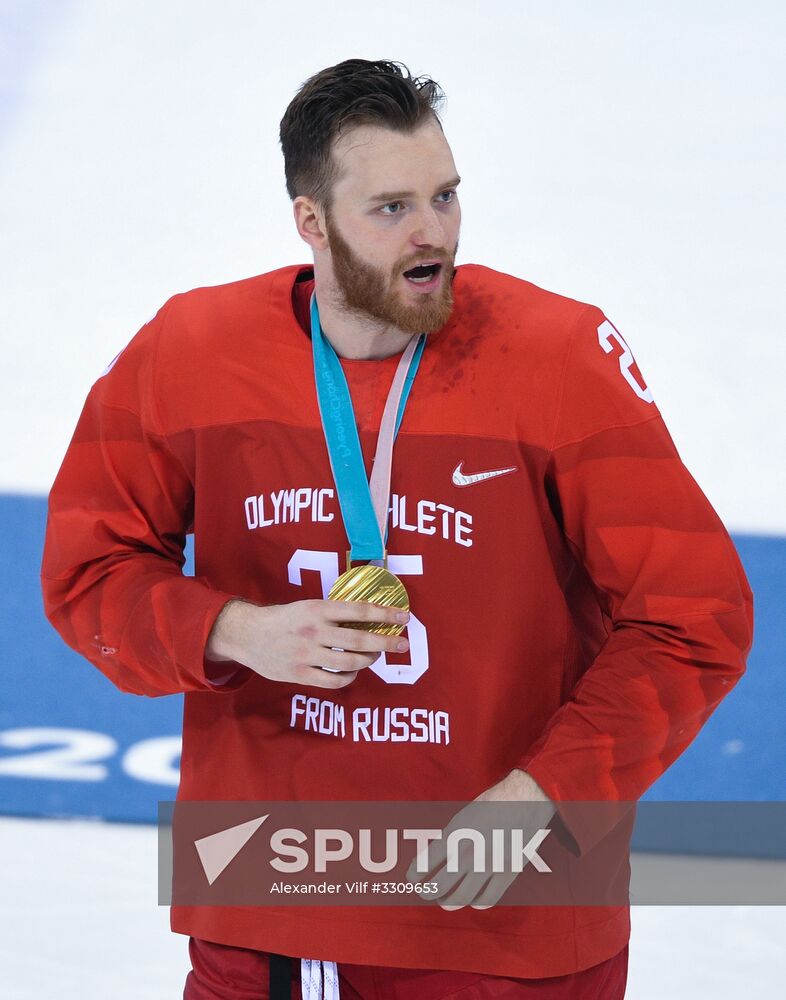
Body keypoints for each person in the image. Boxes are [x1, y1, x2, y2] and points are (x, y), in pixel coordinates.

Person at [41, 58, 753, 999]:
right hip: (270, 905)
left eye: (447, 196)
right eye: (392, 209)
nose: (434, 235)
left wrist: (548, 794)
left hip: (509, 924)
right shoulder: (190, 353)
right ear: (311, 221)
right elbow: (86, 572)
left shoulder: (558, 360)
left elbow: (696, 618)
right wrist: (234, 631)